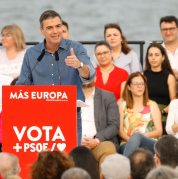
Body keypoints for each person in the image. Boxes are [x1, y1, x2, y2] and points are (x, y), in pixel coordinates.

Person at [16, 10, 96, 145]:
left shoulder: (76, 48)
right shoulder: (32, 54)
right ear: (41, 30)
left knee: (70, 159)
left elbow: (90, 74)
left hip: (70, 114)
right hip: (41, 115)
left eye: (58, 26)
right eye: (49, 28)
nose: (55, 31)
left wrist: (79, 65)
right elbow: (21, 86)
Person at [118, 72, 162, 157]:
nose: (139, 86)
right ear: (129, 87)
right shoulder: (122, 106)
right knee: (135, 144)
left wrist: (140, 136)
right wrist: (133, 141)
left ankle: (125, 169)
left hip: (149, 142)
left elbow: (159, 131)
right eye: (135, 83)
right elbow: (120, 131)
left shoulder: (152, 105)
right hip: (127, 142)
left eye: (142, 83)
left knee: (137, 137)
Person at [80, 77, 120, 171]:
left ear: (95, 77)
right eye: (83, 74)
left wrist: (97, 140)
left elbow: (114, 125)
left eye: (89, 74)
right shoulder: (67, 95)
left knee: (109, 149)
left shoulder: (108, 96)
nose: (86, 77)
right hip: (75, 144)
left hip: (99, 143)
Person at [144, 43, 177, 121]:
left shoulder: (169, 77)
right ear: (147, 57)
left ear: (163, 57)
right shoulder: (143, 76)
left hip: (163, 113)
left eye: (157, 55)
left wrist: (162, 112)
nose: (153, 58)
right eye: (150, 55)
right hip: (145, 113)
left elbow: (174, 102)